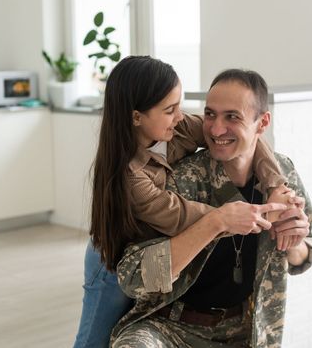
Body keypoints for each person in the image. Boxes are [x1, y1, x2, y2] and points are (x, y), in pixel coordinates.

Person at [73, 56, 290, 348]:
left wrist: (276, 184)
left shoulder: (176, 127)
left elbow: (247, 136)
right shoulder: (131, 176)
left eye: (180, 105)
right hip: (113, 256)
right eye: (170, 109)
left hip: (152, 247)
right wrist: (229, 217)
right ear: (137, 117)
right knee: (94, 340)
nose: (180, 116)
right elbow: (179, 217)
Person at [110, 69, 312, 347]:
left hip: (247, 331)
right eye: (210, 114)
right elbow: (133, 276)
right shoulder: (180, 178)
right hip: (169, 327)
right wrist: (216, 222)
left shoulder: (283, 175)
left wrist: (291, 240)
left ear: (262, 123)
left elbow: (307, 250)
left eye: (232, 116)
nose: (215, 129)